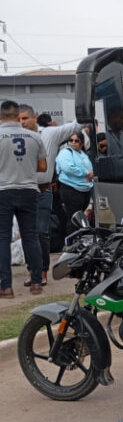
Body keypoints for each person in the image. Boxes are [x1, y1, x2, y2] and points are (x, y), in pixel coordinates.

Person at [18, 104, 85, 286]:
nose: (22, 122)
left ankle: (42, 271)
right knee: (27, 233)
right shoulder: (14, 137)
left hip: (43, 189)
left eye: (25, 118)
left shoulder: (50, 134)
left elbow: (76, 125)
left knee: (41, 231)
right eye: (18, 119)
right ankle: (32, 270)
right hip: (22, 190)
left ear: (35, 117)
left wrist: (86, 105)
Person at [0, 100, 47, 297]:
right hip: (29, 189)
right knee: (31, 236)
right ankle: (36, 282)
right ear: (18, 115)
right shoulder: (34, 137)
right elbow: (43, 167)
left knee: (2, 237)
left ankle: (5, 286)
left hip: (3, 190)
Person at [56, 131, 94, 235]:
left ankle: (79, 238)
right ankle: (72, 239)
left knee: (80, 217)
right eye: (71, 140)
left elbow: (90, 167)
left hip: (85, 188)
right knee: (74, 217)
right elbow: (68, 168)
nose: (73, 142)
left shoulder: (83, 154)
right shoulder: (65, 152)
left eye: (76, 140)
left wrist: (91, 173)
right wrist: (86, 173)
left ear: (81, 142)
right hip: (71, 188)